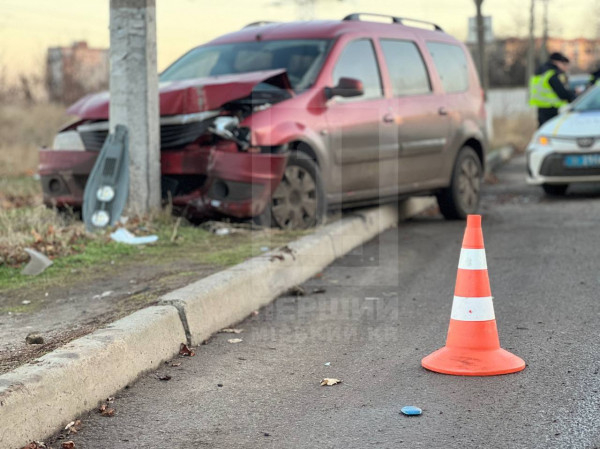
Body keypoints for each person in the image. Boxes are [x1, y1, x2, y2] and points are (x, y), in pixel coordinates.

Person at [529, 52, 575, 127]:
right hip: (552, 109)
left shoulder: (540, 71)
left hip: (541, 107)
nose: (565, 67)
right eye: (563, 64)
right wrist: (574, 96)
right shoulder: (552, 74)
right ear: (557, 62)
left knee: (544, 131)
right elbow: (562, 93)